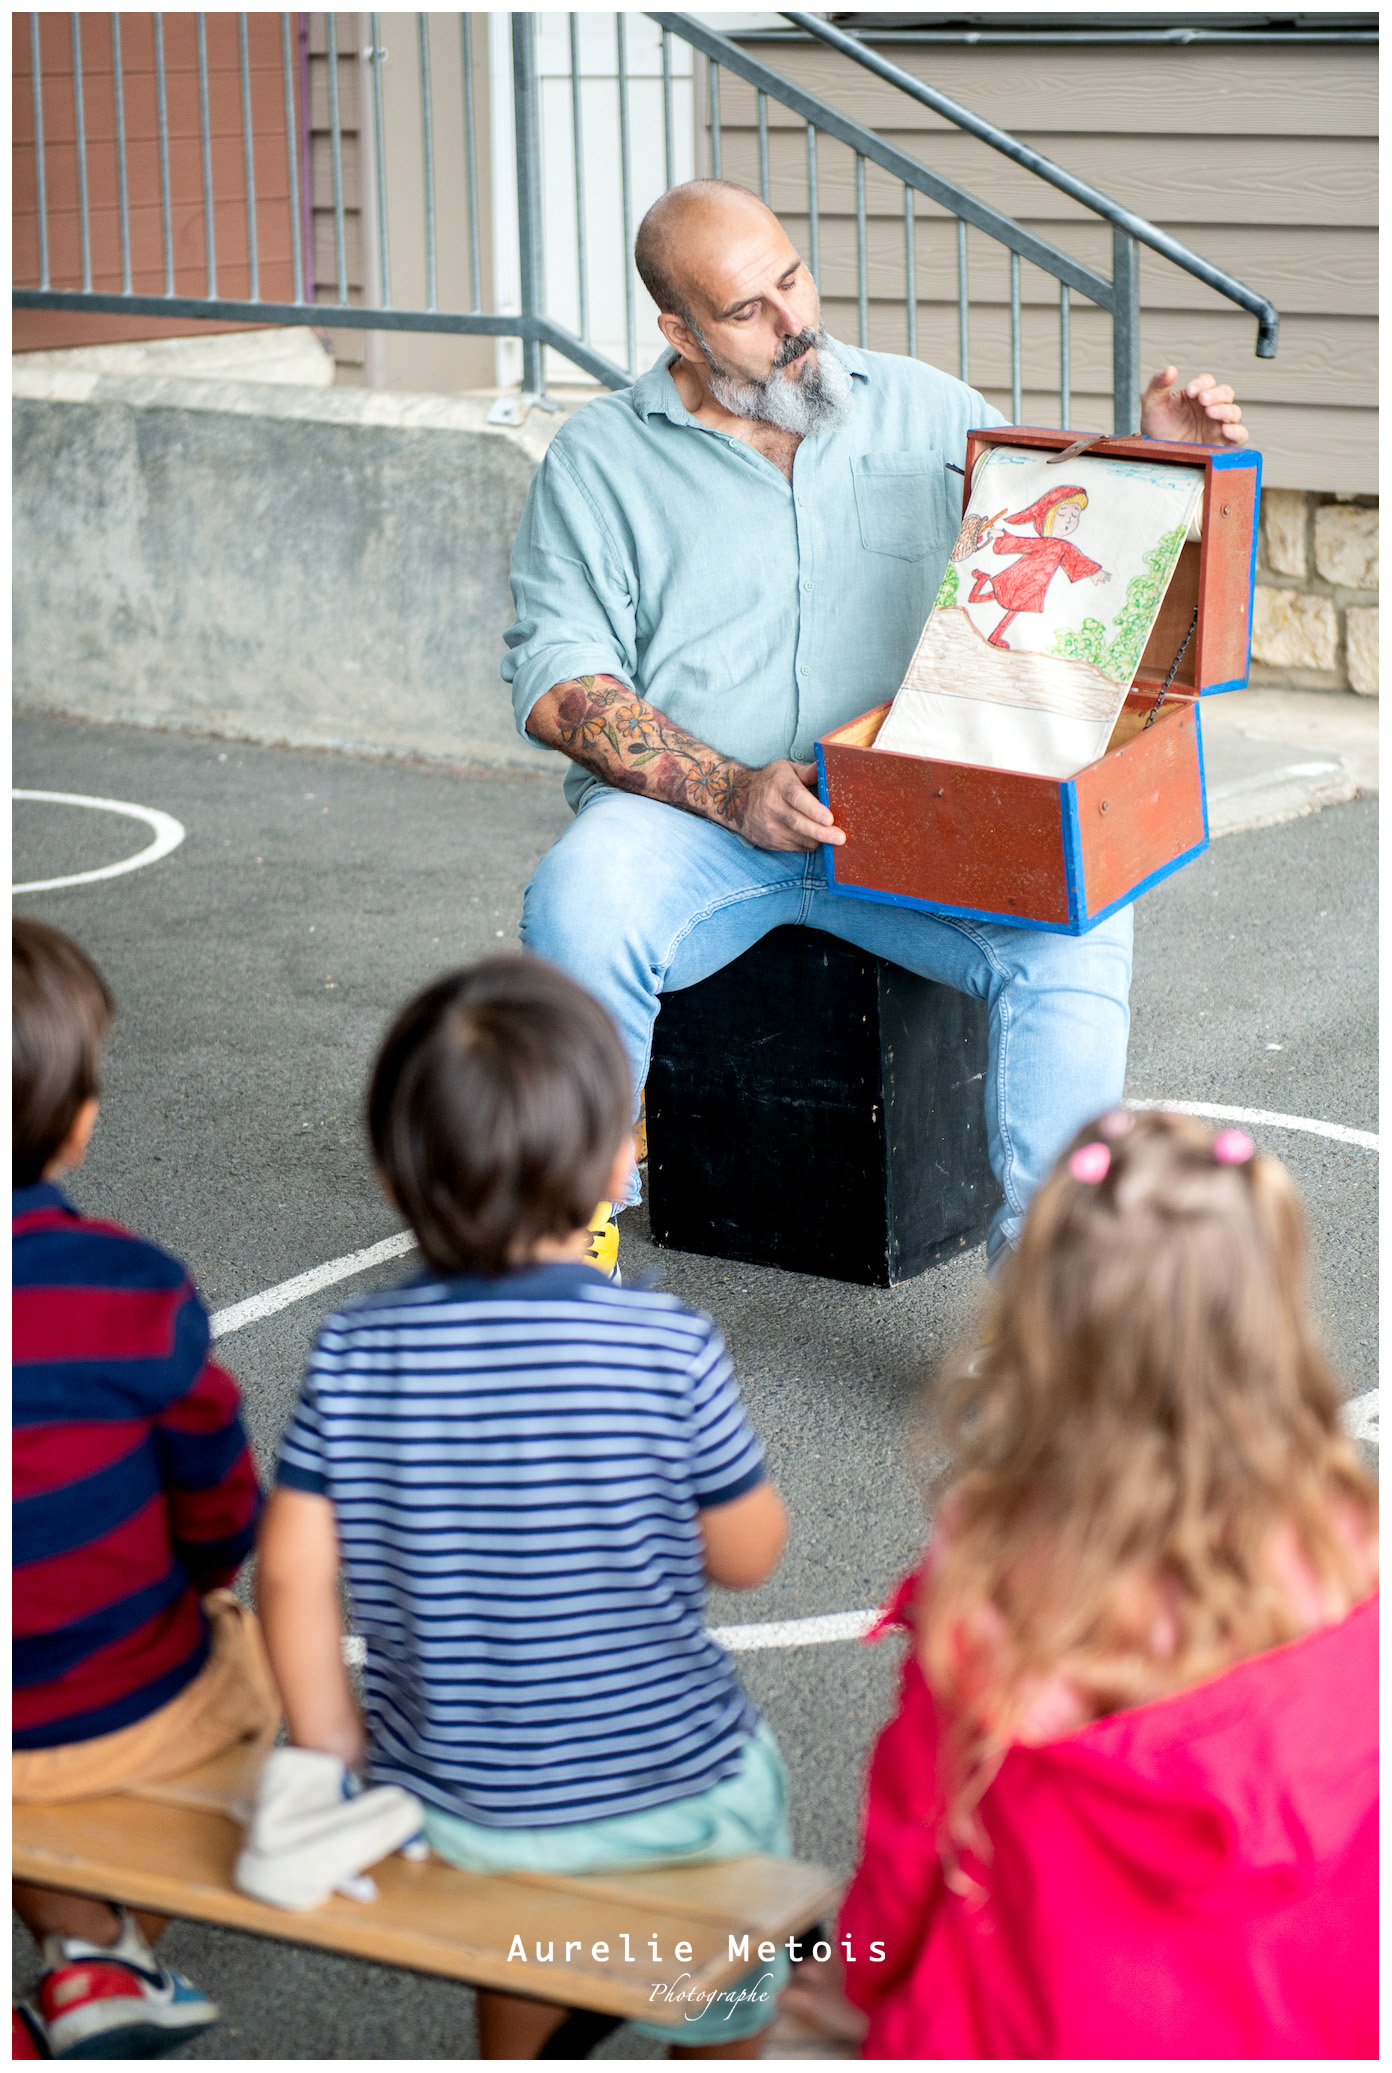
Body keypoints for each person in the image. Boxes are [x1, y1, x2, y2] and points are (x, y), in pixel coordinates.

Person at [505, 178, 1249, 1280]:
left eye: (793, 279)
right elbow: (562, 685)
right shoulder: (599, 457)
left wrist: (1157, 471)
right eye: (748, 310)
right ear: (680, 331)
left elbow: (1058, 590)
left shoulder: (931, 409)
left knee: (1082, 924)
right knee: (579, 898)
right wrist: (732, 792)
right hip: (698, 822)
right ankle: (569, 1249)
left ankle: (1051, 1303)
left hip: (916, 814)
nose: (793, 321)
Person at [257, 956, 792, 2059]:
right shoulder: (665, 1345)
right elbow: (748, 1555)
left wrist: (332, 1744)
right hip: (678, 1792)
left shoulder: (355, 1355)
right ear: (617, 1163)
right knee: (746, 1855)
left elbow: (291, 1574)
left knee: (517, 1951)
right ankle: (722, 2038)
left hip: (458, 1805)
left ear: (393, 1179)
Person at [796, 1108, 1377, 2058]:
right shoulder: (1350, 1548)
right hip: (1307, 2020)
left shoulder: (997, 1572)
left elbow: (913, 1832)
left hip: (1041, 2024)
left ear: (1043, 1323)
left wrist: (863, 1984)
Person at [12, 918, 274, 2060]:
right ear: (77, 1120)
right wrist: (208, 1585)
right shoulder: (131, 1290)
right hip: (101, 1715)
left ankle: (83, 1948)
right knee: (251, 1669)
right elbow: (221, 1513)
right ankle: (101, 1958)